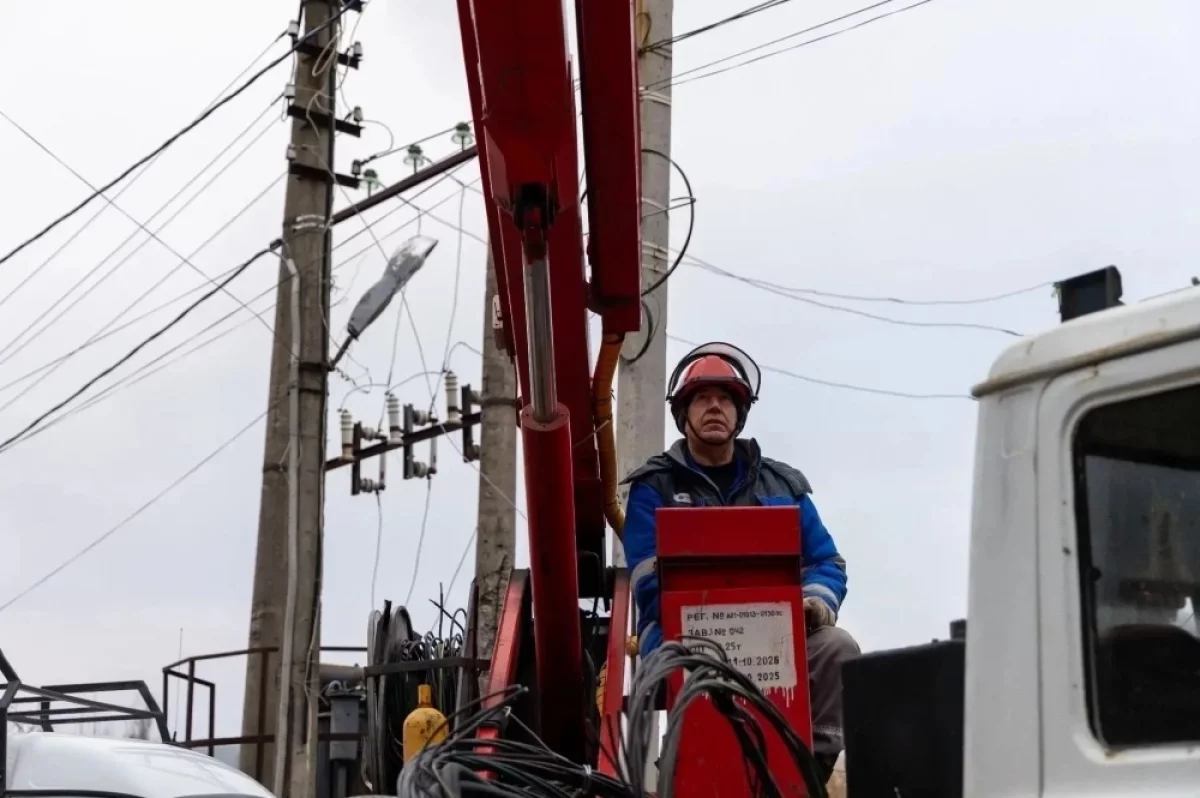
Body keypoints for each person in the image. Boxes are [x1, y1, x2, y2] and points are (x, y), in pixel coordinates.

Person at [621, 342, 860, 782]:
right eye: (702, 398)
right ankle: (691, 771)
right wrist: (724, 615)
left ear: (740, 413)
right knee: (698, 722)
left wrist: (814, 604)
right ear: (683, 414)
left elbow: (826, 560)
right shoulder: (654, 487)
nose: (715, 407)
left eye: (726, 399)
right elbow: (646, 578)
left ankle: (807, 774)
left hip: (776, 634)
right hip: (682, 639)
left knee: (837, 648)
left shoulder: (782, 485)